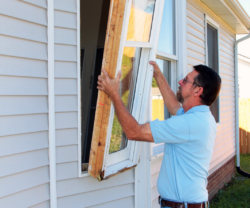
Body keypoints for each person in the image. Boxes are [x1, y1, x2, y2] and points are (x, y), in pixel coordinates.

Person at [97, 61, 221, 208]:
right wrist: (158, 74)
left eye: (186, 81)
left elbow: (134, 132)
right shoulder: (202, 117)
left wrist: (114, 94)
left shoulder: (188, 124)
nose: (180, 82)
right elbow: (174, 106)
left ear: (197, 91)